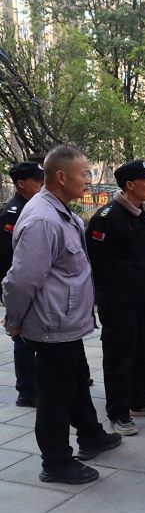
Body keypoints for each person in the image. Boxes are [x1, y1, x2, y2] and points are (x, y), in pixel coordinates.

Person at [2, 145, 121, 484]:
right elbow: (21, 280)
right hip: (51, 324)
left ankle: (91, 434)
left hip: (66, 321)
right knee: (56, 395)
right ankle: (55, 462)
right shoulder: (42, 219)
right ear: (61, 177)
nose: (89, 179)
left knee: (76, 380)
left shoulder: (58, 210)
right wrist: (14, 320)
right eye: (84, 174)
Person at [86, 160, 145, 437]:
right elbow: (95, 262)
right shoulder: (107, 218)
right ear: (130, 185)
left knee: (144, 350)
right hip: (119, 301)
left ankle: (141, 399)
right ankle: (118, 413)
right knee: (119, 356)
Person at [0, 161, 45, 408]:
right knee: (23, 337)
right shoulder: (13, 214)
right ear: (21, 184)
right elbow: (8, 259)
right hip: (19, 285)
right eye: (37, 182)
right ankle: (27, 391)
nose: (42, 185)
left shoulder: (35, 207)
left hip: (35, 283)